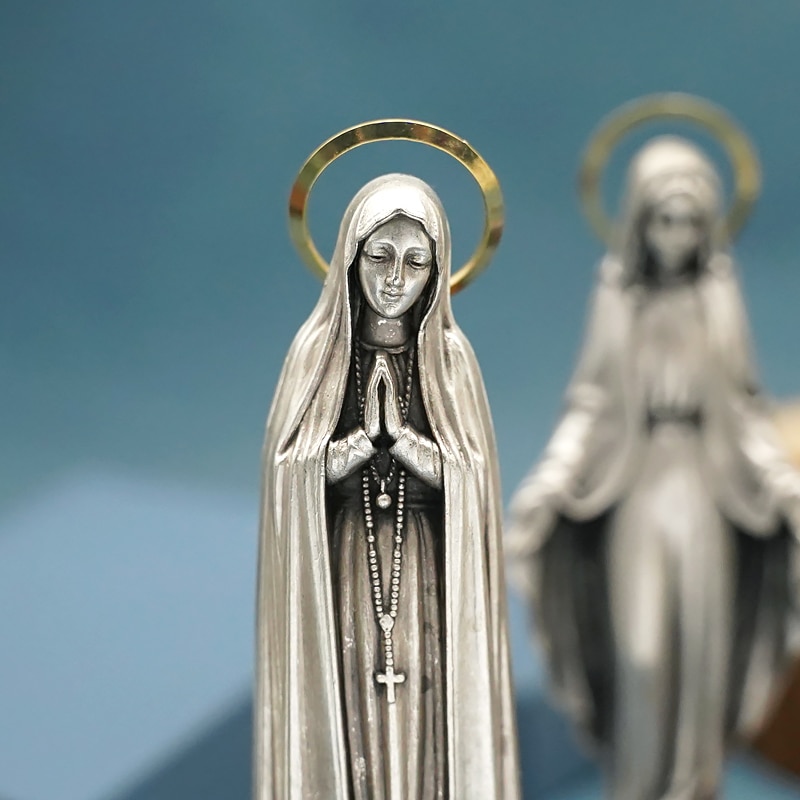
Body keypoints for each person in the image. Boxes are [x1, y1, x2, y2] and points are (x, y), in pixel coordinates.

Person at [508, 136, 800, 800]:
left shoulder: (718, 300)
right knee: (640, 650)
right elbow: (590, 402)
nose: (678, 235)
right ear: (640, 221)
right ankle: (640, 784)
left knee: (699, 650)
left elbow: (744, 406)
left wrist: (780, 480)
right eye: (665, 219)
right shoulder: (618, 298)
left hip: (705, 494)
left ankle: (694, 784)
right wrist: (555, 477)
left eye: (692, 221)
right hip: (637, 492)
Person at [256, 173, 519, 800]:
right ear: (351, 257)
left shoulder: (451, 361)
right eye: (379, 256)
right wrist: (356, 445)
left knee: (425, 707)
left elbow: (473, 482)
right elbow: (288, 473)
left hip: (426, 572)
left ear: (437, 270)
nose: (395, 279)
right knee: (347, 700)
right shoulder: (317, 354)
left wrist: (401, 441)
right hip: (341, 570)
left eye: (415, 262)